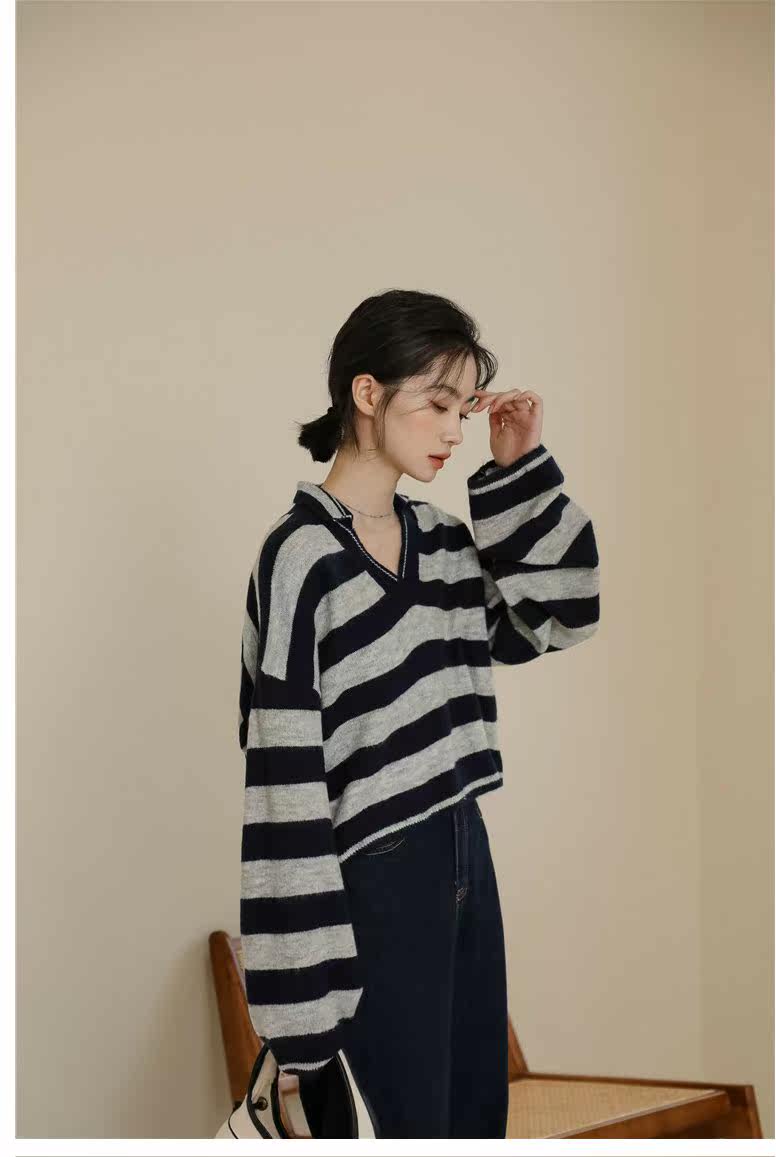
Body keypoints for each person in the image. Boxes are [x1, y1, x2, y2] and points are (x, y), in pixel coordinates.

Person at [237, 288, 601, 1138]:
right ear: (367, 393)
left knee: (473, 1119)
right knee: (396, 1124)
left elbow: (562, 612)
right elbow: (284, 787)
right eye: (436, 404)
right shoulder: (300, 560)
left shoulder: (441, 545)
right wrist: (301, 1020)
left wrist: (518, 470)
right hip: (373, 879)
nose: (452, 432)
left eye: (462, 409)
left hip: (465, 850)